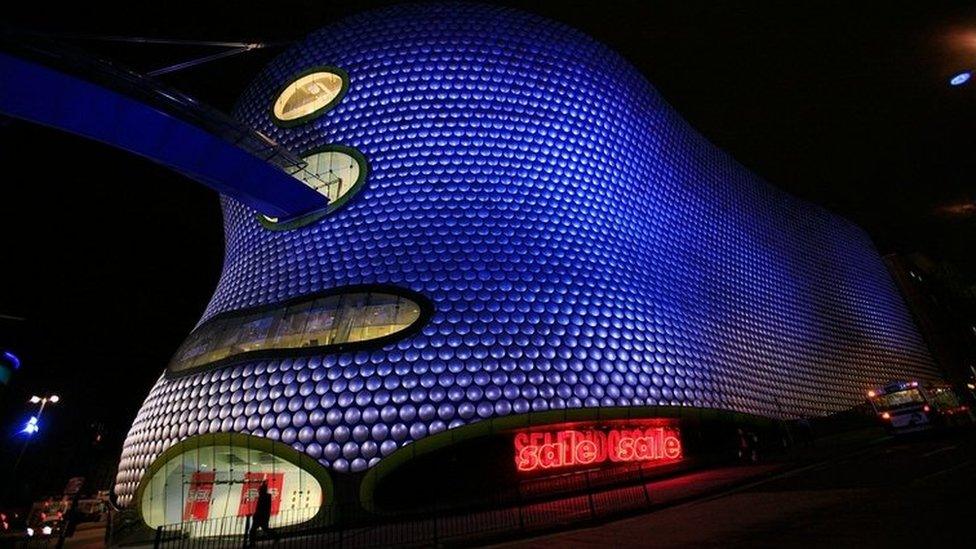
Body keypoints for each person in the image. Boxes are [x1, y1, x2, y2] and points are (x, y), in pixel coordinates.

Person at [248, 481, 275, 545]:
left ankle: (252, 543)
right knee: (265, 529)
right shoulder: (267, 497)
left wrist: (255, 515)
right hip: (263, 517)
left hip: (260, 517)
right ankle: (276, 536)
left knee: (253, 530)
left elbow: (260, 508)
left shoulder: (263, 497)